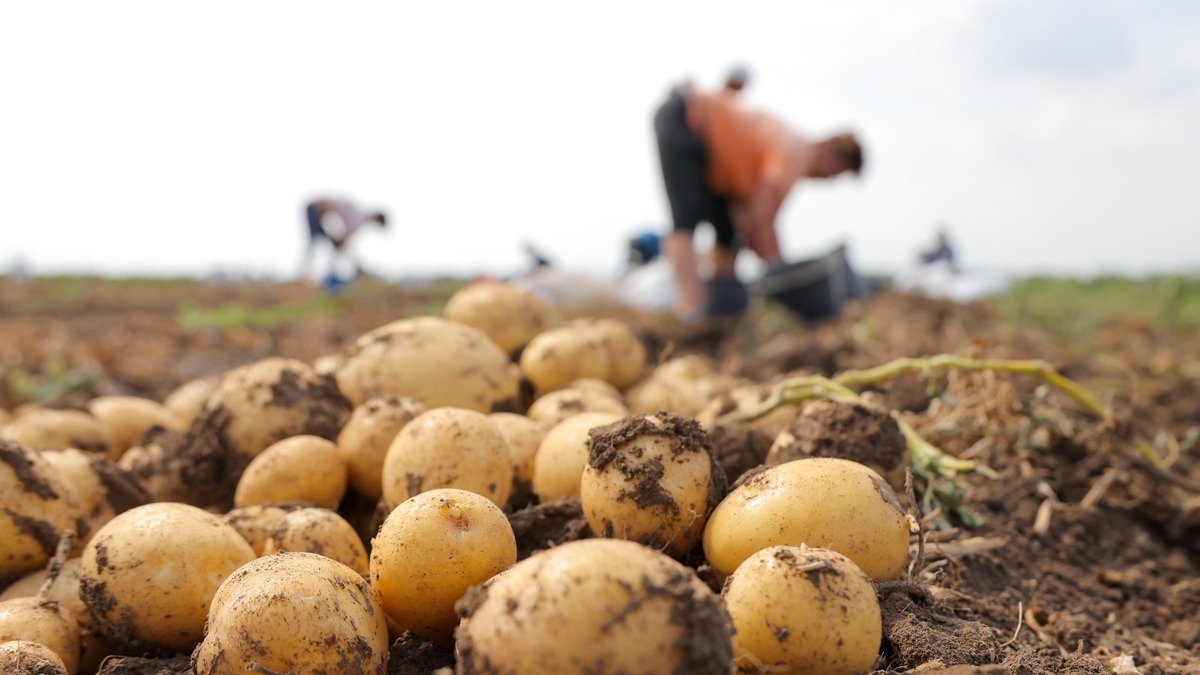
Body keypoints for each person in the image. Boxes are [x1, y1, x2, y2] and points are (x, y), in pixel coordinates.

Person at [653, 82, 863, 320]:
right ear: (827, 148)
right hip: (688, 118)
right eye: (834, 172)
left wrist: (757, 240)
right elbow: (764, 216)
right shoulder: (795, 153)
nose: (828, 180)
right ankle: (690, 311)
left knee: (727, 232)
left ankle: (718, 312)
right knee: (685, 219)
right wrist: (783, 275)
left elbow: (749, 216)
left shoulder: (781, 155)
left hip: (716, 163)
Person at [300, 197, 387, 283]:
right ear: (376, 220)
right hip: (314, 210)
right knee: (314, 241)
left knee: (329, 244)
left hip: (320, 214)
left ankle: (324, 275)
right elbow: (344, 240)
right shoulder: (357, 218)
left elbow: (344, 240)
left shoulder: (358, 217)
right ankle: (305, 276)